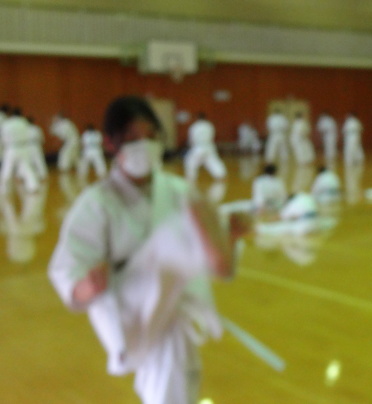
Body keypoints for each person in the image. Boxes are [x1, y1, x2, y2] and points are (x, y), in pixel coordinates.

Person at [48, 95, 247, 404]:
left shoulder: (178, 191)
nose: (144, 146)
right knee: (171, 379)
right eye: (132, 139)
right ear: (111, 143)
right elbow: (67, 270)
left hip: (171, 306)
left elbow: (220, 270)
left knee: (175, 378)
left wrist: (230, 239)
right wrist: (87, 286)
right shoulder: (96, 203)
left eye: (151, 136)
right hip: (126, 307)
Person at [1, 108, 40, 193]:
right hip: (24, 147)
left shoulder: (7, 123)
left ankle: (3, 189)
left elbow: (3, 137)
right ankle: (33, 186)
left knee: (7, 169)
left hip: (11, 148)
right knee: (27, 167)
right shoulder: (24, 122)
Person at [184, 112, 227, 181]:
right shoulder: (209, 125)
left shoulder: (194, 126)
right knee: (213, 161)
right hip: (209, 146)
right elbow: (213, 135)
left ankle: (191, 177)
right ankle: (221, 175)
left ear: (197, 118)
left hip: (198, 147)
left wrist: (190, 144)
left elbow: (191, 138)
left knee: (190, 162)